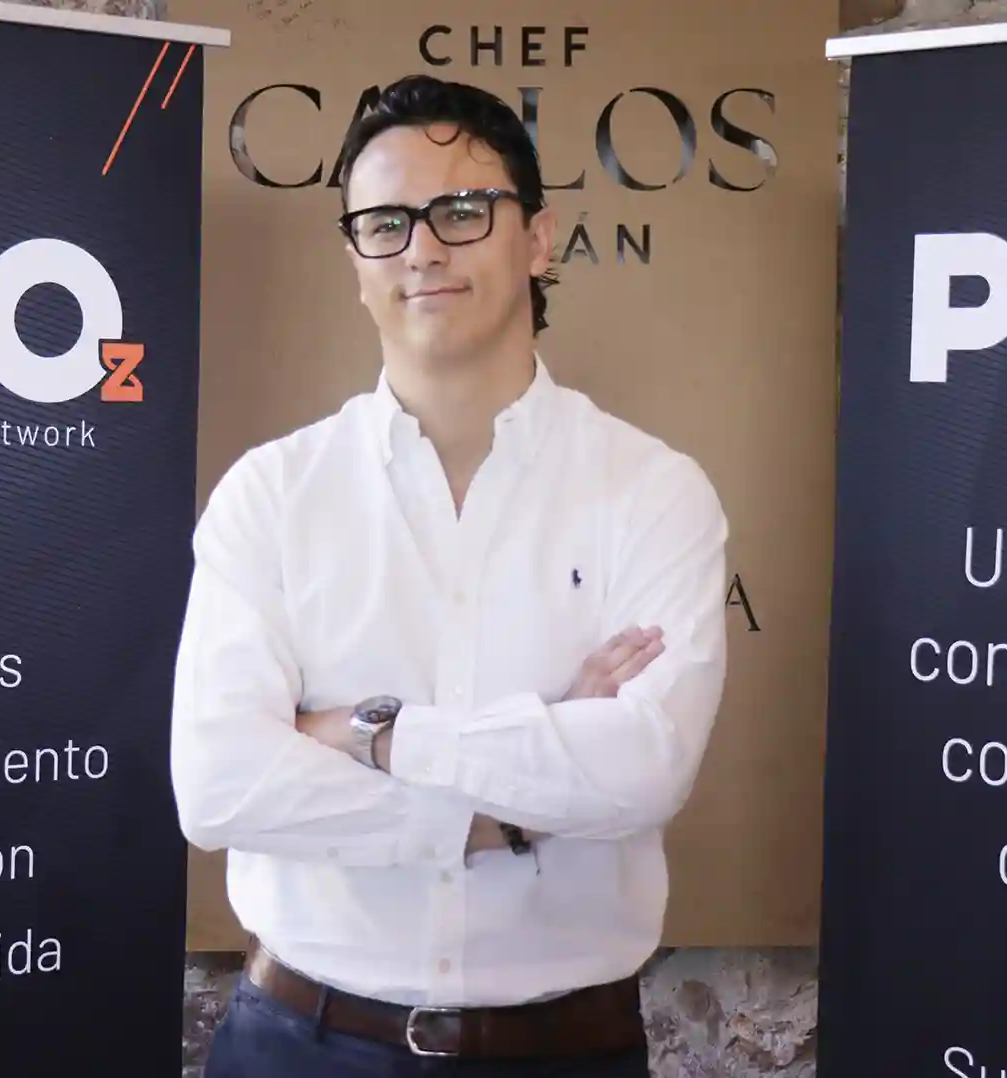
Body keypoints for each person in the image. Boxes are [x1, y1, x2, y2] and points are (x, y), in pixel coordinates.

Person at [169, 72, 730, 1077]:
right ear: (356, 261)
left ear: (539, 240)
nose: (422, 248)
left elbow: (645, 766)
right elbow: (218, 786)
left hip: (564, 1053)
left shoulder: (654, 490)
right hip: (300, 1043)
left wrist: (368, 732)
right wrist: (504, 807)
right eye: (385, 224)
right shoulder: (273, 492)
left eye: (462, 211)